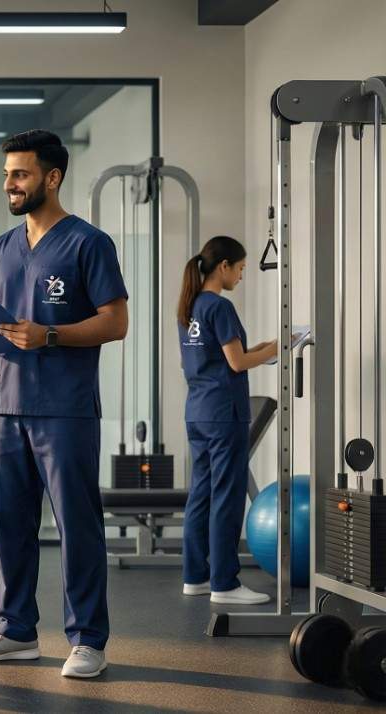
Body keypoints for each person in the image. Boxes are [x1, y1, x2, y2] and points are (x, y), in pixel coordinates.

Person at [0, 130, 128, 679]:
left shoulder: (88, 243)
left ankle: (87, 639)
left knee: (77, 524)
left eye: (21, 174)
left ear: (52, 178)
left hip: (65, 407)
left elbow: (116, 322)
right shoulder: (1, 247)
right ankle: (16, 631)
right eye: (7, 173)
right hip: (6, 403)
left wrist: (50, 336)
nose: (9, 183)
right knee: (10, 523)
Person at [177, 235, 275, 605]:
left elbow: (223, 357)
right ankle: (224, 584)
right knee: (227, 497)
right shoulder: (220, 306)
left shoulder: (189, 307)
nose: (241, 276)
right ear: (224, 267)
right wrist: (280, 348)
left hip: (198, 411)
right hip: (223, 414)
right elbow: (236, 363)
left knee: (201, 495)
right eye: (241, 268)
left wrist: (265, 349)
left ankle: (196, 577)